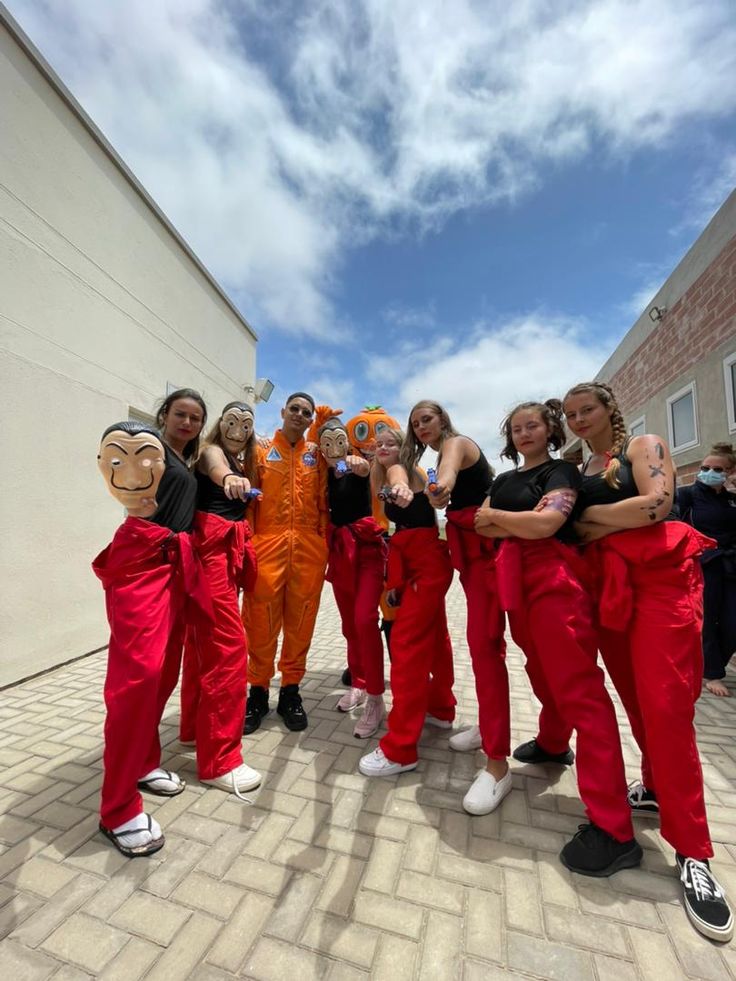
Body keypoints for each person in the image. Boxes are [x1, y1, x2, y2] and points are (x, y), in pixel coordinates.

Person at [565, 381, 733, 942]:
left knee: (667, 711)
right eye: (569, 413)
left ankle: (693, 853)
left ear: (608, 409)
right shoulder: (579, 462)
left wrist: (591, 525)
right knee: (636, 701)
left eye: (586, 409)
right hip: (608, 589)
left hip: (660, 584)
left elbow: (656, 506)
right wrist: (606, 522)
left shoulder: (646, 447)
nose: (577, 419)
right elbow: (603, 519)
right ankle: (656, 787)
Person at [474, 400, 640, 874]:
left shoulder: (560, 473)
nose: (524, 433)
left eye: (533, 425)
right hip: (515, 583)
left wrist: (508, 522)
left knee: (581, 694)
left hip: (555, 584)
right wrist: (518, 522)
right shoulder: (503, 481)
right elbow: (479, 522)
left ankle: (614, 829)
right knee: (542, 675)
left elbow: (546, 524)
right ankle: (551, 744)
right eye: (516, 428)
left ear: (549, 431)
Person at [93, 409, 211, 857]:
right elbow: (116, 457)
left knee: (163, 674)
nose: (188, 421)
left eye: (197, 416)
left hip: (175, 561)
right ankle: (118, 808)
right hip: (142, 555)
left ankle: (143, 762)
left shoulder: (186, 458)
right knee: (136, 680)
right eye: (180, 413)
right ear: (164, 416)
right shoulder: (147, 444)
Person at [408, 401, 509, 800]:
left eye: (426, 419)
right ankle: (489, 728)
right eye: (415, 424)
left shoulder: (456, 444)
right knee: (483, 646)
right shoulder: (444, 450)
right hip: (472, 555)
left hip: (486, 555)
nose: (421, 428)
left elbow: (447, 474)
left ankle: (498, 764)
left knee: (485, 648)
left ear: (443, 420)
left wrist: (441, 490)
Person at [359, 427, 455, 775]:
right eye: (378, 444)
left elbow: (399, 478)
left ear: (404, 447)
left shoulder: (403, 470)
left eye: (392, 443)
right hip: (419, 562)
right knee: (436, 640)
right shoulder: (385, 474)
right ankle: (442, 710)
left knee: (406, 649)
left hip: (424, 567)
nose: (384, 448)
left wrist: (398, 484)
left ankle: (400, 749)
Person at [179, 402, 262, 797]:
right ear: (219, 425)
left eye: (246, 425)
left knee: (201, 649)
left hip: (221, 556)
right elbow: (215, 464)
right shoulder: (212, 453)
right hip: (212, 554)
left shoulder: (242, 458)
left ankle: (196, 732)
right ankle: (219, 761)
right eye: (232, 421)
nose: (239, 429)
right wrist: (228, 476)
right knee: (227, 653)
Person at [242, 392, 329, 733]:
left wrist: (322, 543)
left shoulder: (317, 456)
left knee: (301, 621)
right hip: (267, 546)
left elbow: (325, 502)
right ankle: (258, 693)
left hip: (308, 548)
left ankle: (291, 692)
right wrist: (250, 543)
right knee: (260, 622)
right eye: (294, 408)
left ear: (310, 420)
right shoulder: (260, 450)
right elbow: (249, 502)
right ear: (282, 412)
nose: (299, 414)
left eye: (306, 412)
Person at [318, 419, 387, 736]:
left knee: (364, 620)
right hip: (340, 554)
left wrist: (357, 461)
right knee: (349, 625)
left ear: (348, 442)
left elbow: (362, 469)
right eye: (326, 441)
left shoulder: (357, 463)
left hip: (367, 553)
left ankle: (375, 697)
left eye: (339, 439)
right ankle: (358, 683)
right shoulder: (321, 471)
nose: (333, 447)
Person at [677, 443, 736, 696]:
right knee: (707, 618)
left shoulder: (732, 500)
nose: (709, 472)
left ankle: (712, 664)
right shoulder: (687, 494)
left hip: (731, 564)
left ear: (730, 472)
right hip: (702, 562)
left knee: (733, 621)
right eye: (705, 467)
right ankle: (712, 672)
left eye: (717, 469)